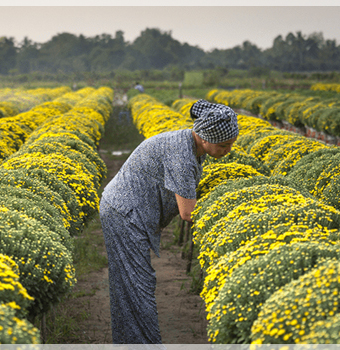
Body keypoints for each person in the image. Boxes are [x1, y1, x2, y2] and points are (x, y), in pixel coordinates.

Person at [99, 99, 239, 344]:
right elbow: (188, 213)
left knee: (132, 284)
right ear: (204, 137)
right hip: (124, 213)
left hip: (128, 210)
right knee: (137, 285)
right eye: (223, 145)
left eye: (230, 144)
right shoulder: (181, 155)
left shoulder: (190, 145)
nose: (228, 150)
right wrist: (228, 219)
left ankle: (132, 343)